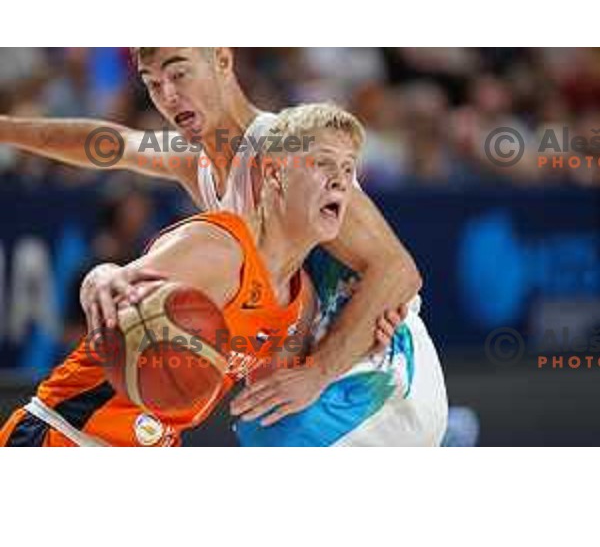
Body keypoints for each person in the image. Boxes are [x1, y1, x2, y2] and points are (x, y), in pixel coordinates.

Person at [0, 49, 443, 445]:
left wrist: (319, 370)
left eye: (179, 74)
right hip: (303, 363)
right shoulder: (196, 158)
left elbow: (397, 269)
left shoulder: (282, 146)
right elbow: (111, 144)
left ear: (223, 61)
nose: (168, 96)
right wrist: (7, 130)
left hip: (370, 367)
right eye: (153, 84)